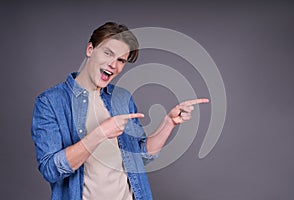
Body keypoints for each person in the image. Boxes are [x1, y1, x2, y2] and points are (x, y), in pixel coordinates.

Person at [31, 21, 209, 200]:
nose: (113, 65)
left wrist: (169, 123)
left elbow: (140, 156)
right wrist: (100, 133)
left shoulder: (121, 98)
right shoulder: (50, 102)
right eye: (108, 53)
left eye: (121, 60)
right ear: (90, 50)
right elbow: (50, 170)